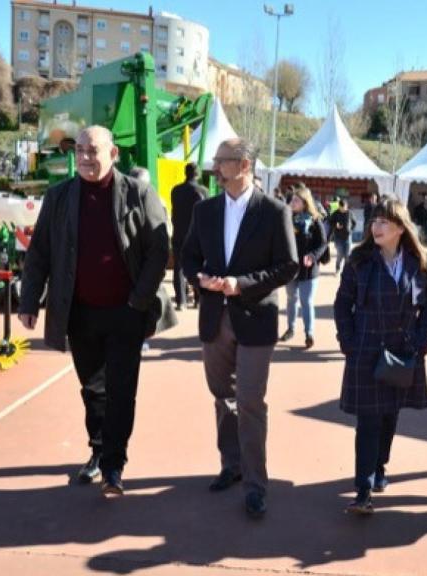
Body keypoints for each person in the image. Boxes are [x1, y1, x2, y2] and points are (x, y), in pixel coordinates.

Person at [19, 126, 171, 498]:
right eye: (81, 151)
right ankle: (98, 449)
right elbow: (39, 253)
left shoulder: (138, 193)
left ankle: (114, 464)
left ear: (114, 154)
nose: (86, 158)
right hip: (80, 311)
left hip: (126, 312)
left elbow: (158, 248)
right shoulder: (58, 198)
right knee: (92, 389)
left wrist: (140, 298)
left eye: (94, 151)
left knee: (122, 390)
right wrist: (29, 301)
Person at [181, 137, 298, 519]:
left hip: (255, 319)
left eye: (222, 161)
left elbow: (288, 266)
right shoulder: (205, 210)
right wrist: (201, 278)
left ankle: (255, 483)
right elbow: (187, 256)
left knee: (249, 400)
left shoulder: (274, 211)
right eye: (216, 161)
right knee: (221, 395)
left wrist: (241, 283)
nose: (215, 167)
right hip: (215, 317)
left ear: (244, 165)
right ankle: (230, 464)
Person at [334, 196, 427, 515]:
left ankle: (380, 467)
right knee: (368, 421)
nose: (375, 227)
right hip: (365, 349)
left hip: (403, 350)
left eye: (383, 222)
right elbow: (342, 304)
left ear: (400, 229)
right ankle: (363, 488)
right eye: (374, 222)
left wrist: (422, 340)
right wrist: (348, 340)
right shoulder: (359, 260)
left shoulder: (420, 262)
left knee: (390, 414)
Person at [279, 185, 328, 350]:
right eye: (292, 200)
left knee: (306, 301)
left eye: (296, 200)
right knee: (291, 299)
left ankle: (309, 333)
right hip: (291, 269)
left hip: (309, 270)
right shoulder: (288, 218)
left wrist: (312, 257)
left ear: (305, 203)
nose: (292, 202)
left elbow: (322, 244)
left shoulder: (315, 221)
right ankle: (291, 329)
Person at [170, 162, 207, 311]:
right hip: (196, 235)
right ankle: (198, 300)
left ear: (185, 173)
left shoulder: (176, 190)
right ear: (197, 174)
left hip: (178, 232)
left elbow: (174, 212)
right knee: (198, 266)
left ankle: (181, 301)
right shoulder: (203, 190)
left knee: (178, 268)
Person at [328, 199, 357, 274]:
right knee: (340, 255)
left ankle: (346, 270)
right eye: (342, 208)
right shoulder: (336, 213)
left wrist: (351, 230)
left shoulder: (350, 213)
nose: (344, 209)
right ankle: (337, 269)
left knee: (347, 255)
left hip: (348, 237)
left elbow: (354, 223)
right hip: (338, 238)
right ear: (339, 207)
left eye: (345, 207)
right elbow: (330, 222)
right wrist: (335, 225)